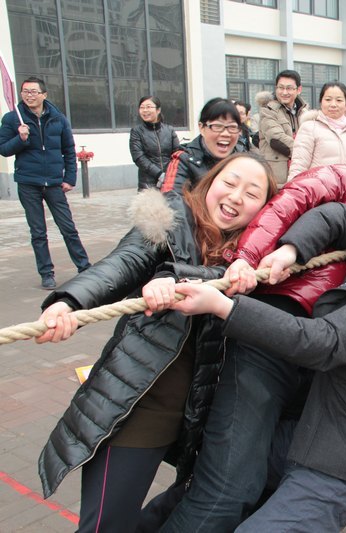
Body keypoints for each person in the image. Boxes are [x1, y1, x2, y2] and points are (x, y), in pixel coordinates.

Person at [163, 193, 346, 532]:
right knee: (216, 475)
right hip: (318, 426)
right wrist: (291, 251)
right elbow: (340, 217)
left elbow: (322, 342)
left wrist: (223, 307)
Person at [34, 152, 277, 533]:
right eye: (229, 183)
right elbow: (122, 263)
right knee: (106, 524)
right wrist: (69, 302)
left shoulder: (254, 257)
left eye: (252, 194)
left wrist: (177, 275)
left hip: (198, 415)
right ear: (210, 182)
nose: (235, 198)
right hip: (137, 404)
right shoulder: (169, 219)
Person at [0, 76, 91, 289]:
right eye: (25, 92)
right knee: (38, 232)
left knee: (68, 227)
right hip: (28, 182)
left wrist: (69, 178)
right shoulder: (13, 118)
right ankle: (46, 273)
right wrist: (20, 139)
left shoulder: (58, 118)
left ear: (44, 95)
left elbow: (68, 149)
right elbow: (3, 149)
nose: (29, 96)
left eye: (34, 92)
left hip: (54, 183)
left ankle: (84, 266)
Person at [287, 81, 346, 181]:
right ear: (321, 102)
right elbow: (299, 167)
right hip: (319, 193)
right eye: (328, 99)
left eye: (339, 100)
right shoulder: (309, 128)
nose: (333, 104)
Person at [160, 98, 243, 193]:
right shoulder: (183, 160)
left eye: (232, 127)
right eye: (217, 126)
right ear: (202, 128)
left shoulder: (244, 160)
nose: (226, 133)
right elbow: (171, 197)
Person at [256, 70, 308, 186]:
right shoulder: (268, 111)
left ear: (298, 90)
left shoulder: (305, 113)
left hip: (300, 177)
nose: (284, 92)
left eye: (289, 88)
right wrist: (306, 153)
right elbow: (277, 139)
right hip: (277, 180)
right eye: (281, 88)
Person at [129, 95, 181, 191]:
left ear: (158, 110)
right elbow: (139, 158)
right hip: (148, 184)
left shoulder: (169, 130)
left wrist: (171, 175)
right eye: (142, 107)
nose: (145, 110)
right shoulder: (136, 132)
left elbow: (177, 154)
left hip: (170, 182)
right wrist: (159, 174)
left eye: (148, 107)